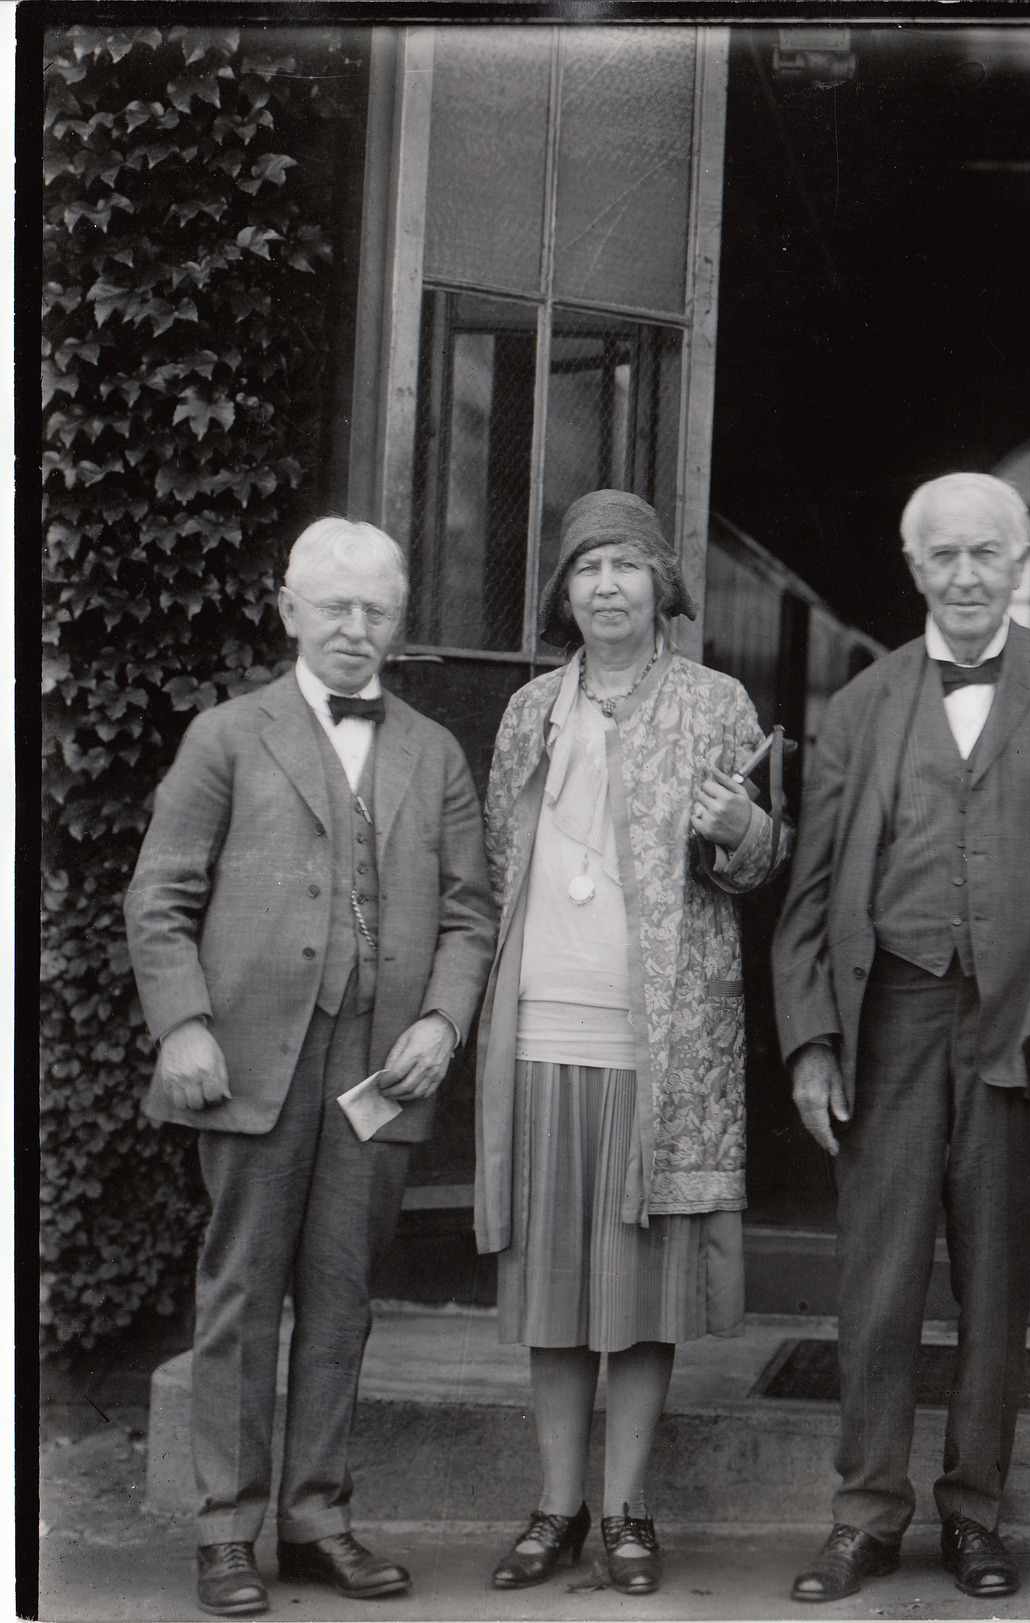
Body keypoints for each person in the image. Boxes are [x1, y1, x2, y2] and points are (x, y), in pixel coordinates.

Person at [772, 473, 1030, 1603]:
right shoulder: (863, 702)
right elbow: (812, 886)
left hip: (1018, 1024)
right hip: (889, 1018)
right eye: (946, 558)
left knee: (994, 1277)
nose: (967, 575)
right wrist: (810, 1043)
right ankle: (865, 1514)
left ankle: (976, 1511)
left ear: (1020, 561)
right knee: (877, 1281)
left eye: (987, 554)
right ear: (914, 568)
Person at [124, 519, 498, 1617]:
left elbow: (472, 913)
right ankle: (225, 1533)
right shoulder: (227, 737)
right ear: (287, 608)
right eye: (333, 605)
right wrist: (184, 1024)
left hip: (382, 1064)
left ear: (398, 617)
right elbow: (160, 897)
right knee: (241, 1292)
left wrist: (441, 1020)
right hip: (249, 1055)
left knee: (341, 1296)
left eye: (375, 608)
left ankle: (317, 1518)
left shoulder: (434, 751)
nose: (354, 627)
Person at [473, 490, 791, 1597]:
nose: (605, 586)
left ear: (664, 584)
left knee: (643, 1292)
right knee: (555, 1283)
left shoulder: (716, 704)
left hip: (662, 1041)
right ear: (564, 594)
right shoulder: (528, 714)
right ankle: (556, 1506)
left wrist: (741, 830)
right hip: (542, 1027)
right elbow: (495, 874)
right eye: (585, 569)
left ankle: (626, 1512)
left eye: (625, 566)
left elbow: (760, 865)